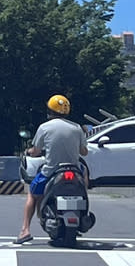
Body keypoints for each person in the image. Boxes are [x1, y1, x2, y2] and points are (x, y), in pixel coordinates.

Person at [16, 94, 88, 244]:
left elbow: (36, 151)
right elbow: (84, 152)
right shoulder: (76, 127)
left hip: (51, 171)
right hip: (74, 171)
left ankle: (25, 230)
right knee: (83, 185)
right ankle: (82, 216)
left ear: (50, 110)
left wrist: (29, 151)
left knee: (32, 193)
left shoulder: (44, 127)